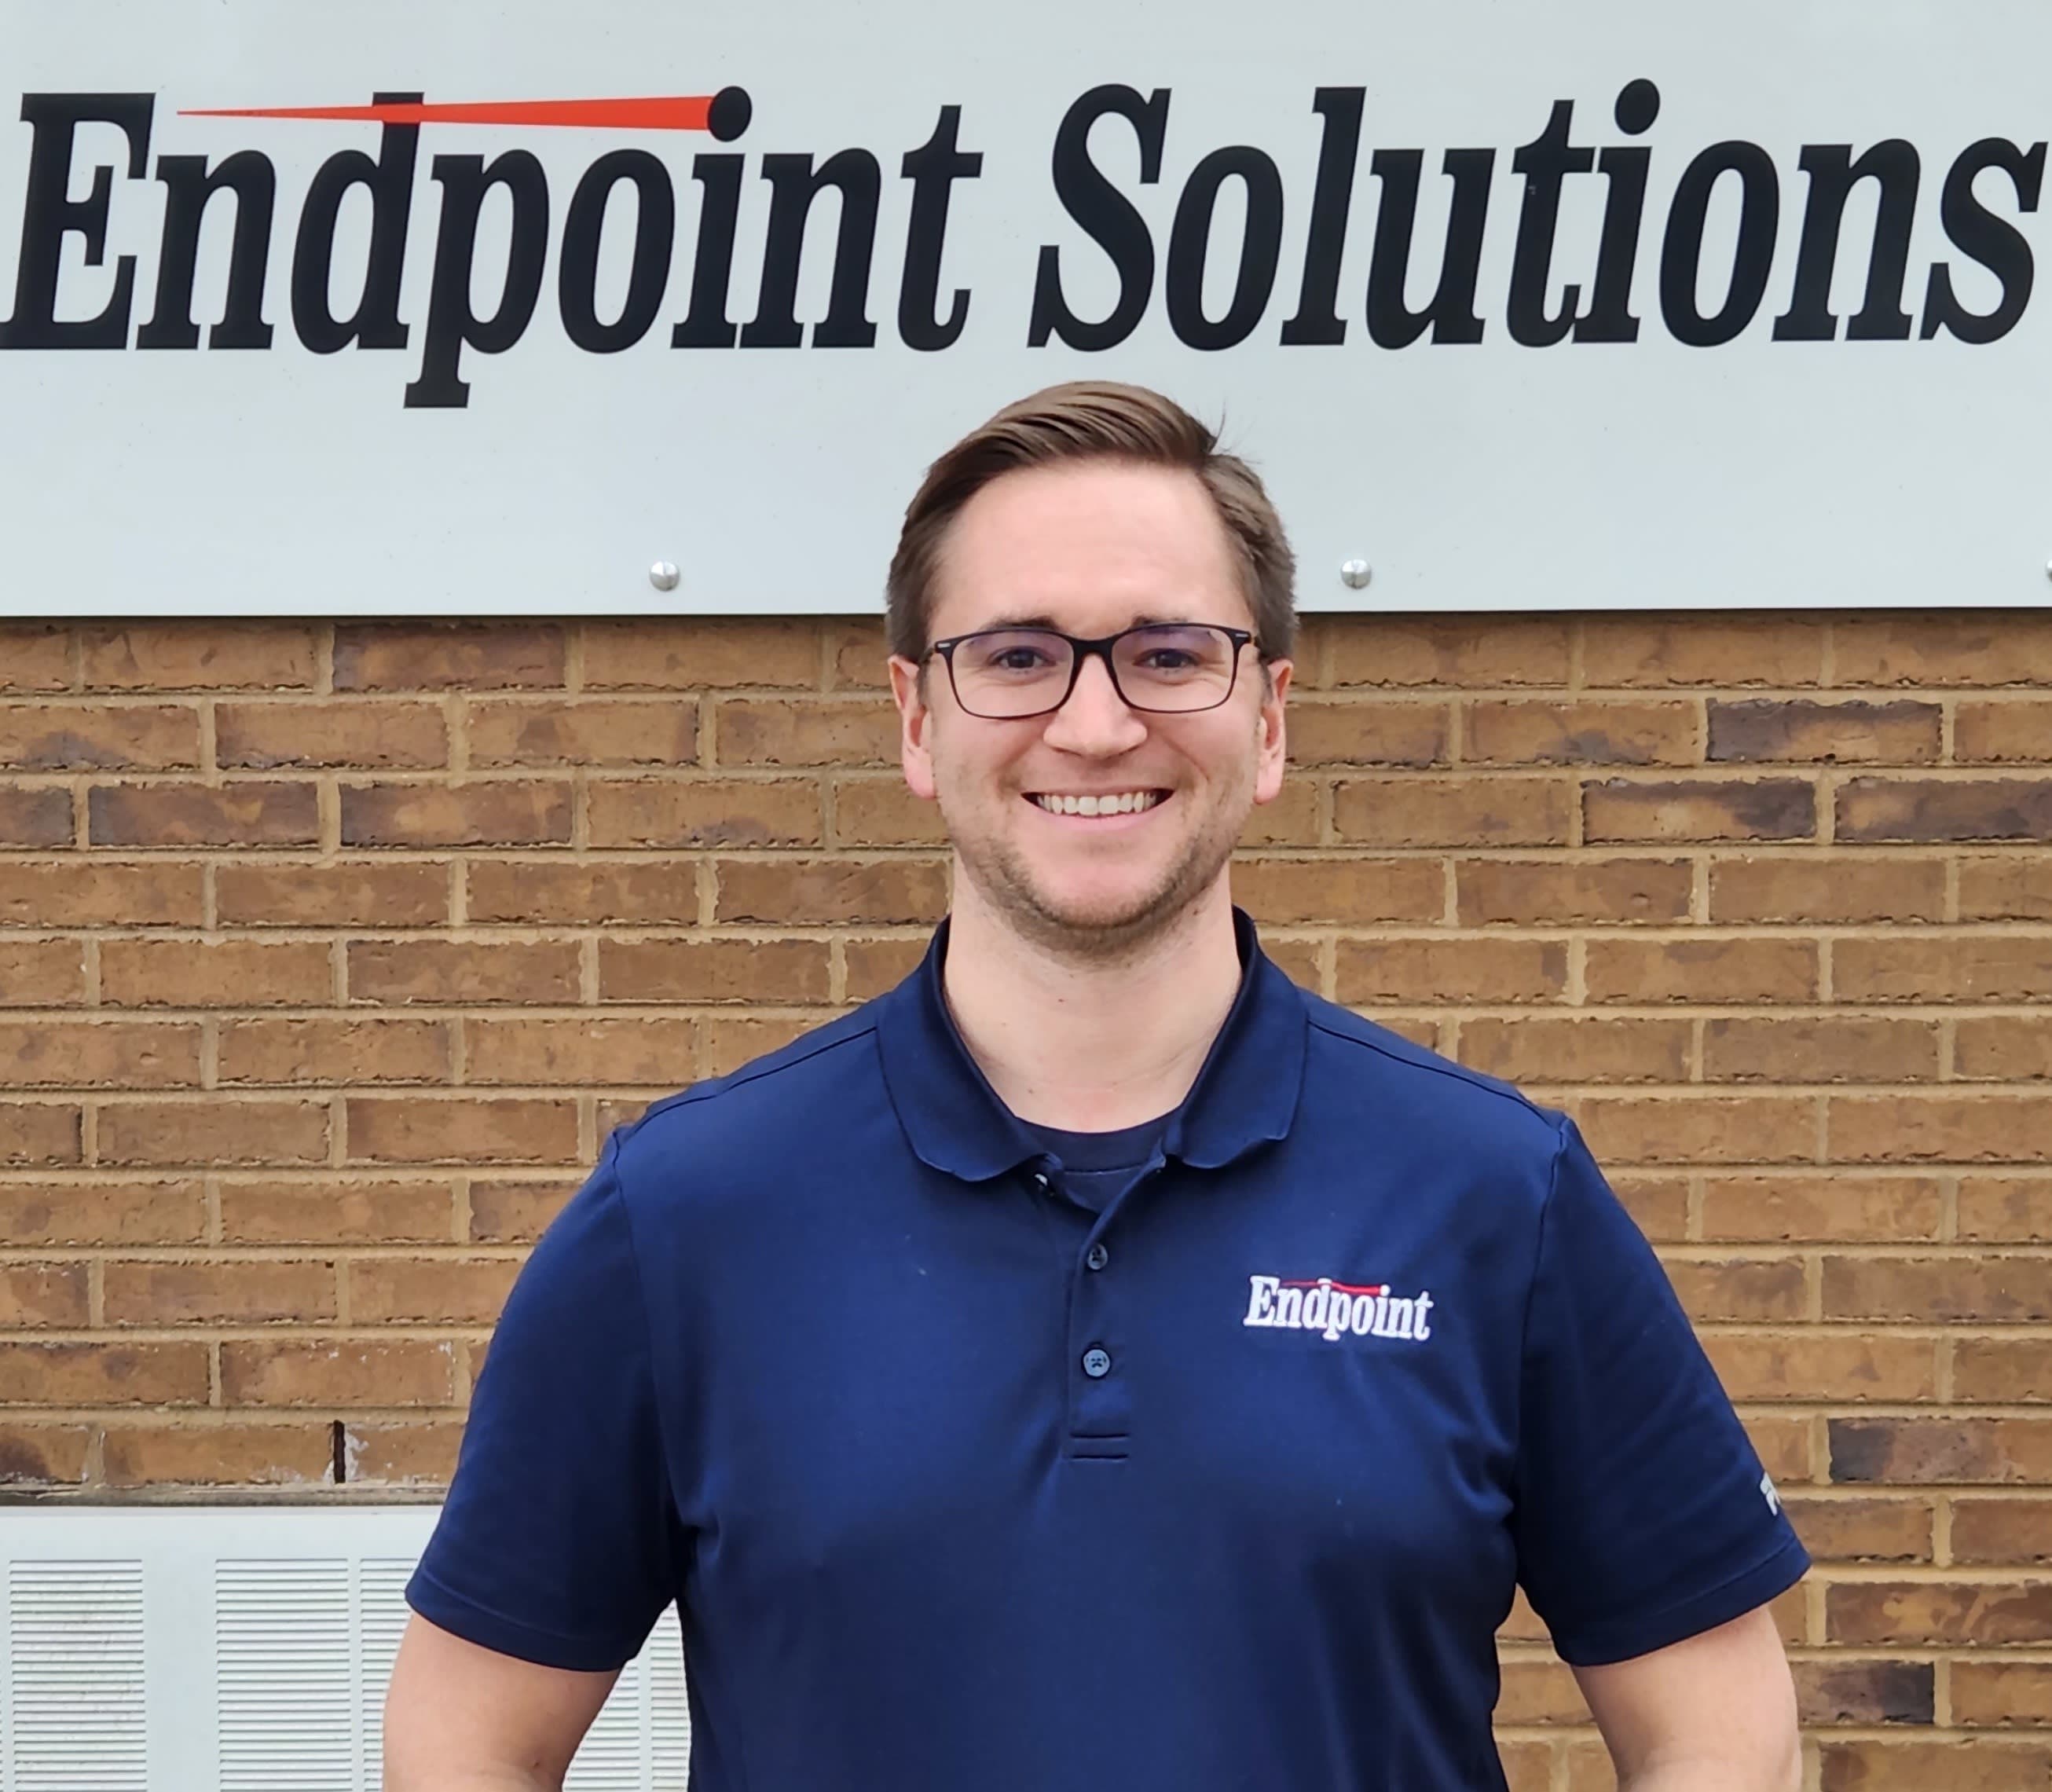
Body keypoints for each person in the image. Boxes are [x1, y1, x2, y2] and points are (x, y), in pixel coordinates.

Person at [383, 382, 1807, 1790]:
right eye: (1018, 656)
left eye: (1168, 654)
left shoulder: (1496, 1195)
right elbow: (466, 1741)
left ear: (1270, 717)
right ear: (915, 718)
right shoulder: (686, 1213)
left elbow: (1719, 1729)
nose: (1096, 722)